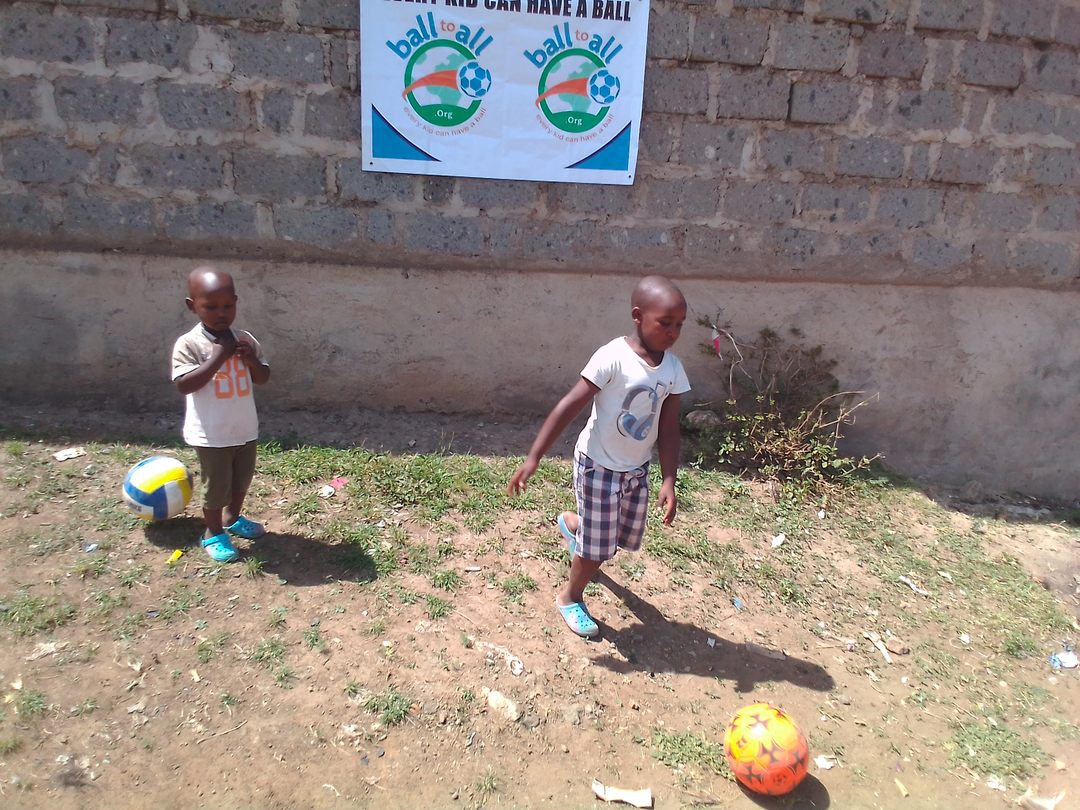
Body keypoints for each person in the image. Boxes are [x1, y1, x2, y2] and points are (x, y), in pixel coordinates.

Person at [507, 276, 690, 638]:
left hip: (635, 471)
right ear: (638, 316)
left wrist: (669, 479)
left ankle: (574, 525)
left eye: (680, 325)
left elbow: (669, 429)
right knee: (597, 551)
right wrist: (534, 456)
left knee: (615, 537)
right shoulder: (613, 357)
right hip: (598, 466)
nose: (673, 333)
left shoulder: (673, 370)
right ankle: (570, 597)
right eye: (665, 323)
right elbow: (569, 405)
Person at [172, 266, 270, 562]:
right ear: (192, 306)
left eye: (228, 306)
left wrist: (250, 359)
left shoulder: (245, 339)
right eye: (210, 307)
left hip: (244, 428)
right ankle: (212, 532)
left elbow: (263, 377)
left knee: (241, 480)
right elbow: (185, 385)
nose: (221, 313)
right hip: (211, 434)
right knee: (216, 487)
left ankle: (233, 517)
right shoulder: (190, 344)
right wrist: (217, 357)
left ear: (236, 302)